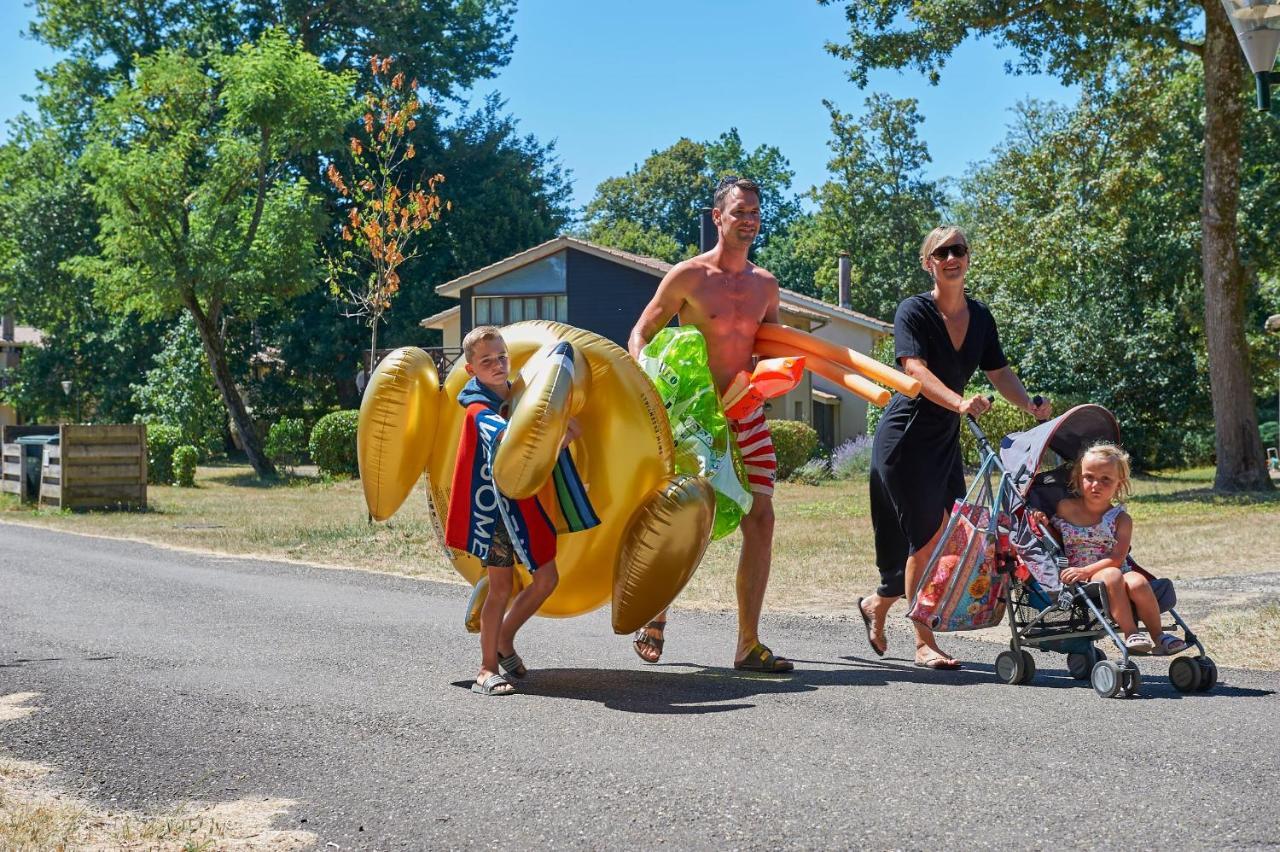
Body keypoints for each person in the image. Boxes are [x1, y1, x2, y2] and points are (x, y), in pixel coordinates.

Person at [856, 225, 1052, 670]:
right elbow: (915, 369)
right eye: (941, 252)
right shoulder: (914, 311)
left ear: (967, 258)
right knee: (926, 541)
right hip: (906, 439)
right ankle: (923, 642)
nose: (951, 258)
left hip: (944, 438)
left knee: (950, 539)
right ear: (929, 263)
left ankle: (878, 604)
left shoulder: (980, 317)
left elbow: (998, 371)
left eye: (958, 250)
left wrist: (1029, 406)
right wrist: (960, 401)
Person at [627, 176, 792, 673]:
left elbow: (774, 345)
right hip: (694, 419)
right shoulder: (688, 277)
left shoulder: (765, 285)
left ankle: (748, 644)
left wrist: (778, 374)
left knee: (761, 520)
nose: (749, 220)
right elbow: (643, 331)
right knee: (684, 516)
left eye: (755, 212)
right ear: (717, 217)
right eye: (739, 211)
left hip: (745, 412)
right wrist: (645, 381)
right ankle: (655, 614)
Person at [445, 325, 589, 695]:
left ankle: (505, 639)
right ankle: (485, 669)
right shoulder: (476, 407)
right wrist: (559, 435)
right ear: (471, 369)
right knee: (500, 588)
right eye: (487, 361)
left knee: (546, 578)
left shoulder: (525, 393)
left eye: (502, 357)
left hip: (528, 503)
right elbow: (514, 444)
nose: (497, 365)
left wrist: (561, 430)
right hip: (495, 511)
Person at [1050, 443, 1186, 655]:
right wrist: (1038, 517)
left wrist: (1089, 571)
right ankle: (1130, 632)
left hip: (1112, 567)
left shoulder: (1121, 519)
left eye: (1106, 479)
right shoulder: (1066, 508)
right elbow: (1049, 529)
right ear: (1078, 478)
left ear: (1119, 485)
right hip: (1082, 576)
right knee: (1113, 576)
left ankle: (1158, 636)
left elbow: (1117, 558)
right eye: (1089, 477)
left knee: (1139, 581)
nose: (1096, 484)